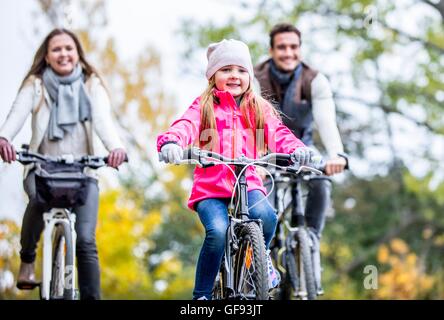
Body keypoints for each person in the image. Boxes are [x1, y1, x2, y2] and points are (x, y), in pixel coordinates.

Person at [157, 39, 313, 300]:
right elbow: (185, 125)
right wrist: (172, 142)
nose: (234, 76)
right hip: (211, 189)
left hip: (248, 181)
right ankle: (202, 296)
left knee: (267, 215)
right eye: (226, 69)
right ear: (213, 75)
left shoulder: (257, 108)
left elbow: (278, 133)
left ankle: (259, 259)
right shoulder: (204, 106)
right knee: (217, 232)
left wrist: (296, 149)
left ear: (249, 76)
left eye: (241, 70)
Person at [0, 28, 127, 299]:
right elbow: (17, 113)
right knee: (37, 200)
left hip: (83, 172)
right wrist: (4, 137)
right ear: (46, 57)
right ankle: (28, 258)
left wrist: (115, 147)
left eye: (69, 48)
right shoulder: (36, 84)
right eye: (56, 49)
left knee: (86, 241)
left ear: (78, 53)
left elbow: (104, 121)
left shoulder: (92, 84)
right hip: (42, 168)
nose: (63, 54)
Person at [254, 23, 349, 240]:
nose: (288, 53)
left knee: (321, 181)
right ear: (271, 51)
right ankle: (261, 253)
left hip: (303, 148)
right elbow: (255, 121)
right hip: (265, 150)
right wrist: (258, 160)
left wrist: (336, 155)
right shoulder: (255, 79)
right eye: (281, 47)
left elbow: (326, 121)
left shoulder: (314, 80)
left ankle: (311, 241)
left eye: (293, 47)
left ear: (300, 49)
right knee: (261, 212)